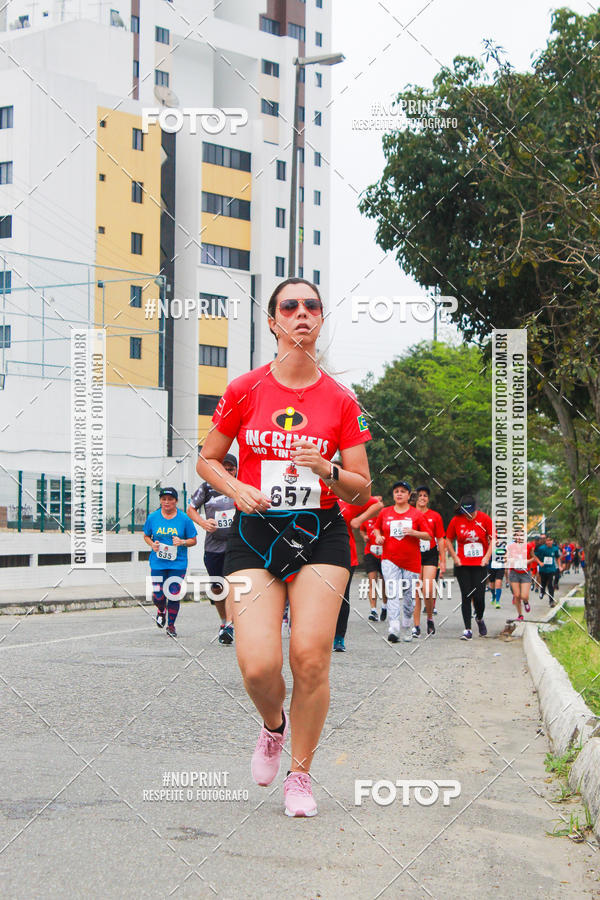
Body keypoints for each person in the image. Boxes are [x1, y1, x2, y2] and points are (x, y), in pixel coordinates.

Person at [196, 277, 372, 818]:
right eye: (289, 306)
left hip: (320, 533)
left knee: (310, 657)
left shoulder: (342, 400)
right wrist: (234, 486)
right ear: (272, 322)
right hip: (254, 534)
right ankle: (273, 727)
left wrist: (327, 468)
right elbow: (206, 459)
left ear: (320, 320)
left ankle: (301, 774)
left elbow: (360, 486)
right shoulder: (244, 388)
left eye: (311, 306)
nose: (301, 313)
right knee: (257, 665)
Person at [372, 481, 432, 643]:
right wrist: (378, 536)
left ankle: (406, 627)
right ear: (393, 495)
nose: (399, 494)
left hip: (411, 561)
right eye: (396, 491)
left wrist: (414, 532)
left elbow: (428, 535)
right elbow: (377, 528)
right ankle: (393, 627)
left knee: (408, 597)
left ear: (408, 495)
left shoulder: (416, 515)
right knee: (392, 592)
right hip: (389, 559)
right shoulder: (385, 512)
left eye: (403, 491)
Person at [187, 453, 238, 645]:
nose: (227, 471)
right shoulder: (207, 487)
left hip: (235, 544)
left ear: (236, 469)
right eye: (223, 468)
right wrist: (202, 522)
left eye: (231, 468)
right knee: (217, 587)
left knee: (233, 585)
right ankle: (224, 621)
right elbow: (191, 508)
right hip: (213, 546)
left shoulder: (241, 485)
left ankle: (231, 625)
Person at [143, 487, 197, 637]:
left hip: (177, 563)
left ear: (176, 501)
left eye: (170, 499)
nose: (166, 502)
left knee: (173, 594)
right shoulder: (153, 517)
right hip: (158, 562)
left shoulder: (184, 519)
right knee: (158, 595)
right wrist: (151, 544)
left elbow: (193, 540)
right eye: (163, 499)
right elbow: (147, 535)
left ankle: (171, 626)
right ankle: (161, 610)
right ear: (160, 500)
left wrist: (182, 541)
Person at [334, 495, 383, 651]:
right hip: (317, 557)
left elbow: (377, 504)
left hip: (345, 555)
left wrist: (359, 519)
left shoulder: (346, 498)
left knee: (342, 597)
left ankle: (339, 638)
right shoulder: (313, 496)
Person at [445, 495, 492, 640]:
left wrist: (486, 557)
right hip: (463, 564)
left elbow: (493, 539)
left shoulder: (484, 519)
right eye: (466, 512)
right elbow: (448, 539)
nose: (469, 515)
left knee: (479, 597)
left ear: (475, 507)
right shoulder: (456, 520)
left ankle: (479, 618)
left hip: (480, 564)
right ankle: (467, 629)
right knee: (466, 595)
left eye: (471, 512)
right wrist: (455, 557)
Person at [414, 486, 446, 635]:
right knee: (415, 590)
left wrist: (443, 560)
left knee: (427, 590)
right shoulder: (410, 514)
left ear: (428, 499)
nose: (422, 498)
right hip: (413, 554)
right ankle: (416, 626)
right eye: (420, 495)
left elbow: (440, 538)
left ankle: (429, 617)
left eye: (425, 495)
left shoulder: (435, 516)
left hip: (430, 554)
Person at [360, 514, 387, 622]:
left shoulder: (384, 519)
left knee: (384, 582)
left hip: (384, 554)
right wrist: (364, 536)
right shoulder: (366, 519)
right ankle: (373, 610)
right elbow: (362, 529)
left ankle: (385, 606)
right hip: (370, 553)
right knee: (372, 582)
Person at [507, 529, 537, 620]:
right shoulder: (510, 547)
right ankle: (520, 615)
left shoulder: (528, 546)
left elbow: (533, 558)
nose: (519, 537)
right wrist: (510, 560)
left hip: (525, 573)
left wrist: (527, 561)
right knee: (516, 595)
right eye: (517, 535)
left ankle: (526, 602)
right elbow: (507, 558)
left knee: (524, 596)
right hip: (514, 572)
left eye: (521, 535)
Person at [535, 535, 563, 607]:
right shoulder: (541, 549)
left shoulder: (555, 549)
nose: (549, 542)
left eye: (551, 540)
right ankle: (542, 591)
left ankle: (551, 601)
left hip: (551, 569)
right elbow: (536, 557)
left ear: (552, 541)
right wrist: (539, 562)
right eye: (548, 540)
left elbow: (558, 558)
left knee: (550, 584)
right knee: (543, 582)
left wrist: (559, 566)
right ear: (546, 542)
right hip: (543, 569)